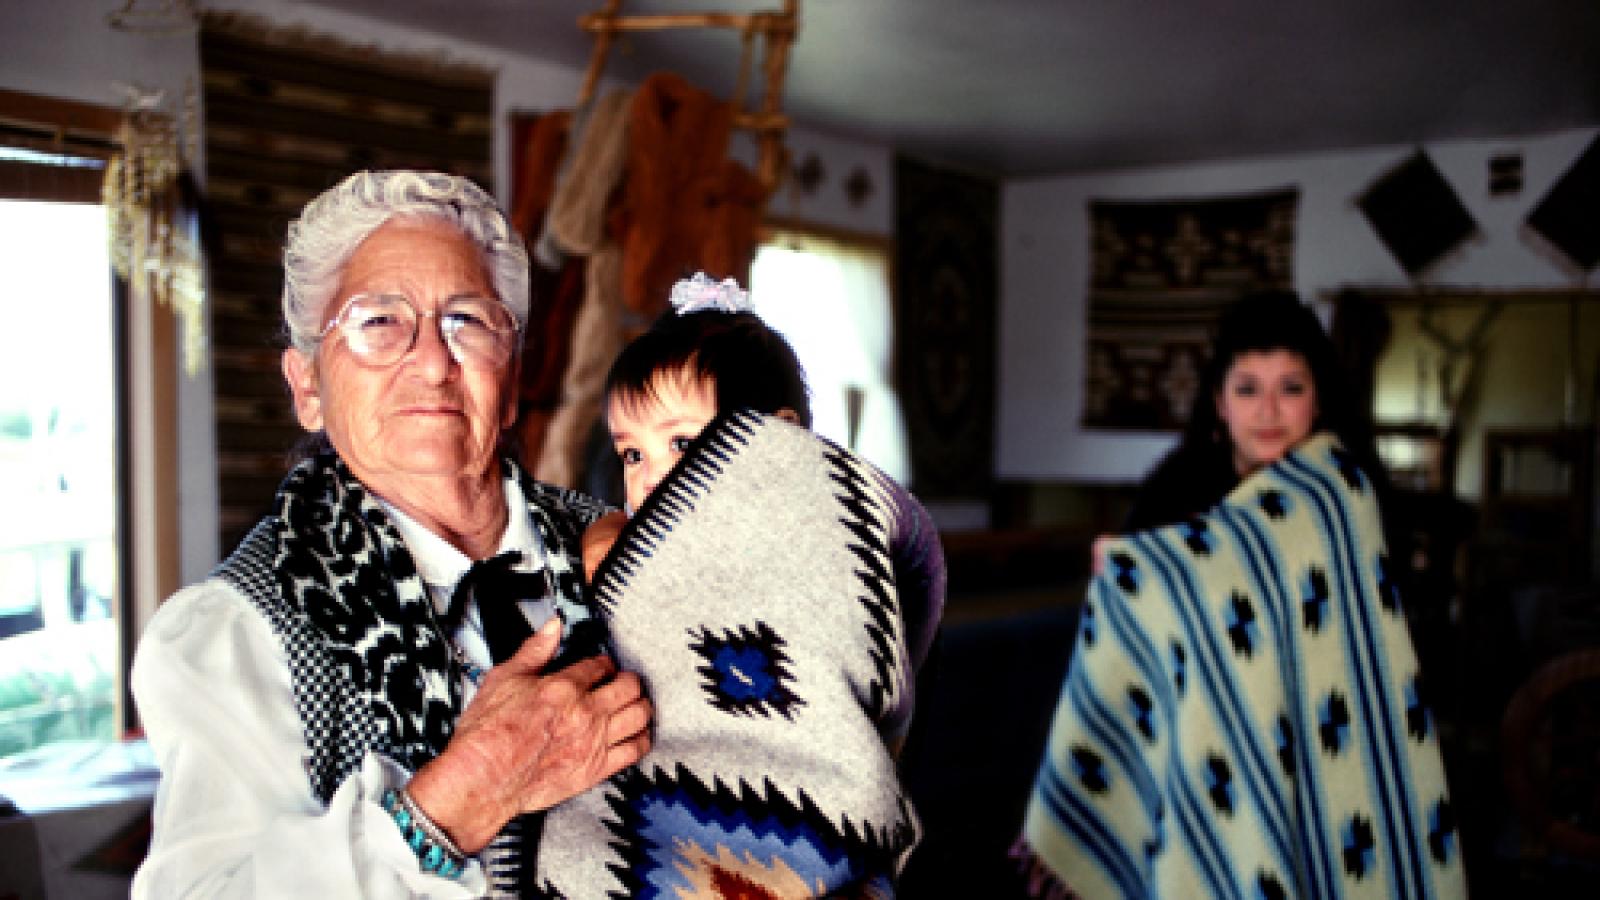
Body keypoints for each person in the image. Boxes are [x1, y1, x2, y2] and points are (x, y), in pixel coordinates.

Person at [131, 170, 652, 898]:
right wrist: (450, 806)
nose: (434, 362)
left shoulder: (627, 547)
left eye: (467, 321)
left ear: (510, 381)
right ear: (307, 387)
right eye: (378, 323)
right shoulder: (239, 632)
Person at [536, 273, 947, 895]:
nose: (651, 477)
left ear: (779, 451)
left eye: (682, 442)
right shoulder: (620, 555)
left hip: (794, 817)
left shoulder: (821, 544)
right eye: (632, 454)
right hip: (645, 829)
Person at [1122, 289, 1391, 531]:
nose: (1268, 411)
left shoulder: (1351, 489)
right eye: (1248, 390)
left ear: (1317, 401)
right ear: (1221, 405)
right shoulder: (1172, 490)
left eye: (1290, 389)